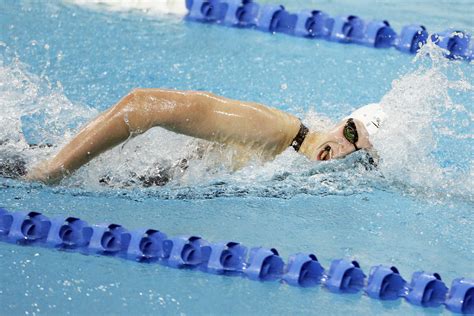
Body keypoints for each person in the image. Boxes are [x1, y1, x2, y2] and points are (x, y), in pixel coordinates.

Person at [25, 89, 385, 184]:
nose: (342, 148)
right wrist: (54, 170)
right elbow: (143, 104)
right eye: (350, 130)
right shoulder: (275, 131)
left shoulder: (292, 163)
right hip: (110, 175)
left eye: (359, 151)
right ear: (344, 120)